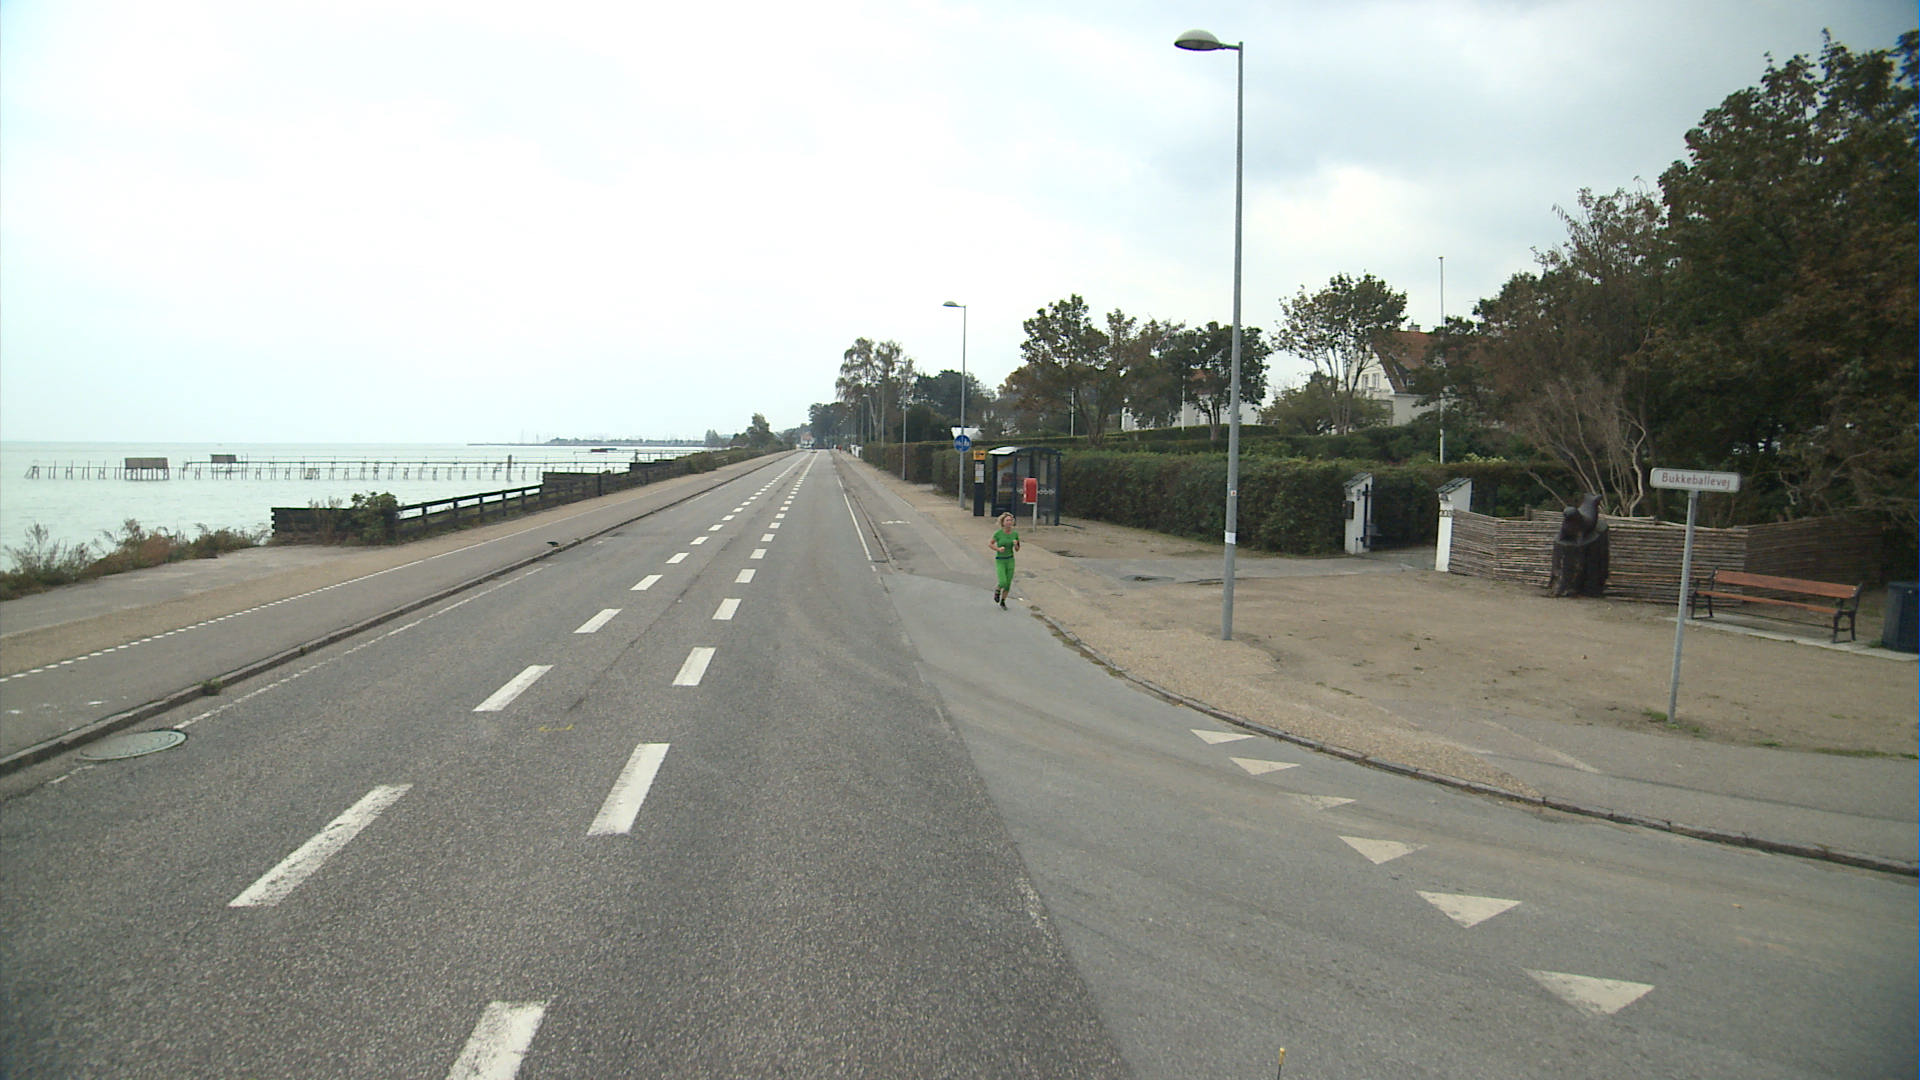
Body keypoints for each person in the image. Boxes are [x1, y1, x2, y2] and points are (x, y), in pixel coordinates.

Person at [989, 512, 1020, 608]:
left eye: (1011, 520)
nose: (1009, 522)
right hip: (1000, 560)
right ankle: (998, 590)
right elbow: (990, 544)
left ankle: (1003, 601)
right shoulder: (998, 533)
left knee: (1008, 583)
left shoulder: (1015, 534)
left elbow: (1017, 549)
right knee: (1003, 581)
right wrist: (998, 549)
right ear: (1003, 522)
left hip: (1010, 559)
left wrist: (1016, 544)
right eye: (1007, 520)